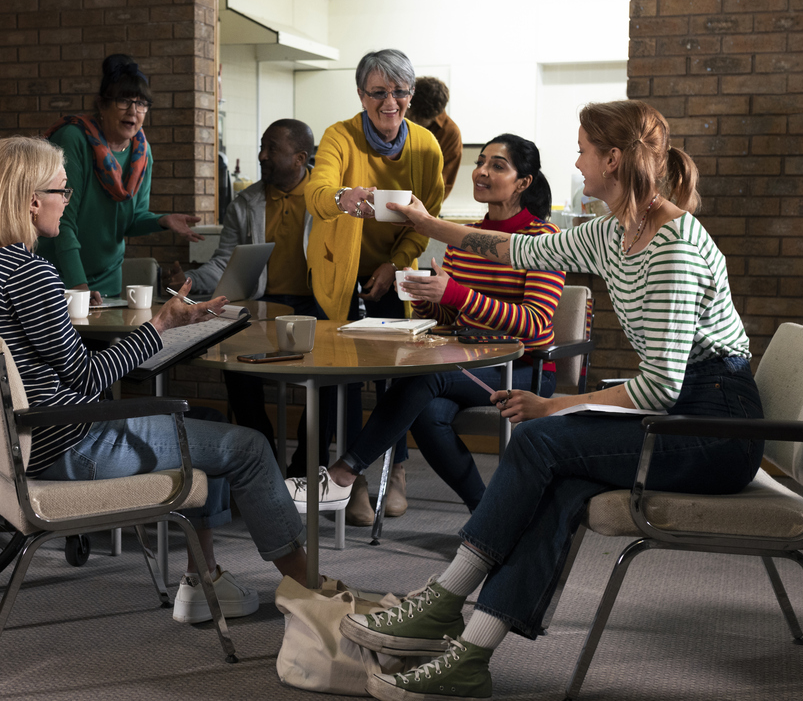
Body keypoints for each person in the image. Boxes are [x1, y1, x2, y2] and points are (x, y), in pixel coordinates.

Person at [341, 100, 764, 701]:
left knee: (541, 439)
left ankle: (442, 602)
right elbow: (511, 249)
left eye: (584, 150)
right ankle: (470, 654)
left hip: (716, 427)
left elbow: (661, 388)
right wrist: (425, 222)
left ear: (612, 159)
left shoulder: (671, 245)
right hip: (684, 414)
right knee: (562, 482)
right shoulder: (613, 232)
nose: (578, 161)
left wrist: (552, 407)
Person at [0, 136, 315, 625]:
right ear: (32, 200)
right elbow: (86, 377)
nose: (68, 201)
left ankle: (202, 583)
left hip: (15, 448)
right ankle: (311, 595)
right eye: (63, 191)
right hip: (69, 448)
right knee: (248, 447)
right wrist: (160, 328)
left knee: (203, 421)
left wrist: (161, 329)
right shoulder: (29, 273)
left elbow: (67, 369)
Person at [288, 134, 565, 516]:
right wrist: (425, 299)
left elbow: (534, 324)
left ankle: (342, 474)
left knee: (423, 378)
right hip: (467, 364)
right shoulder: (461, 237)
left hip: (522, 369)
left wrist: (453, 294)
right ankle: (486, 513)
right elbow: (450, 320)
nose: (481, 171)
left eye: (497, 166)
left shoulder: (544, 240)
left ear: (523, 182)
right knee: (427, 413)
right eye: (481, 162)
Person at [302, 49, 445, 523]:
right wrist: (344, 196)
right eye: (379, 92)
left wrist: (395, 263)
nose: (391, 102)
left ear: (411, 95)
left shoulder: (425, 145)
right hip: (339, 272)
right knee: (343, 376)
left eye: (400, 92)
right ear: (361, 95)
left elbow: (427, 220)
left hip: (392, 270)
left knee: (393, 374)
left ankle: (396, 471)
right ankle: (355, 481)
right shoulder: (339, 137)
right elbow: (316, 192)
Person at [167, 119, 318, 456]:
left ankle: (309, 466)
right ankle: (259, 450)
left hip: (317, 307)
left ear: (299, 158)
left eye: (271, 149)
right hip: (264, 305)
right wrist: (188, 281)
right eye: (261, 147)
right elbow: (225, 261)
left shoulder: (324, 199)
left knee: (329, 382)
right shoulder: (244, 204)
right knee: (234, 358)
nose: (262, 156)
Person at [36, 54, 203, 302]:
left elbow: (131, 221)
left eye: (142, 103)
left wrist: (163, 220)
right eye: (124, 101)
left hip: (108, 281)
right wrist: (78, 286)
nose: (133, 111)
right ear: (102, 105)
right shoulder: (73, 138)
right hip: (61, 277)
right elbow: (64, 224)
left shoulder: (141, 152)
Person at [408, 76, 464, 200]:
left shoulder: (450, 133)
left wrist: (426, 213)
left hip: (424, 204)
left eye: (417, 120)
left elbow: (444, 182)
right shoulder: (397, 115)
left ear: (434, 116)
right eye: (409, 114)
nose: (411, 121)